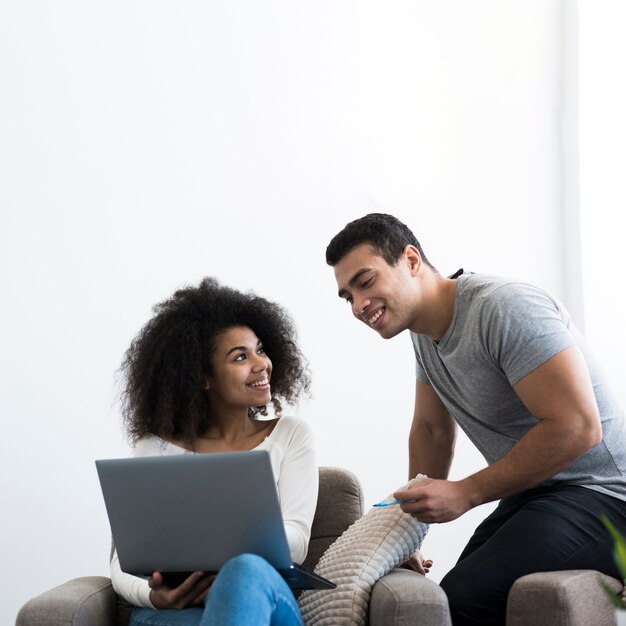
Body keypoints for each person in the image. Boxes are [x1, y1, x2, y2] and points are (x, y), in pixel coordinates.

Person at [326, 213, 626, 625]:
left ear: (411, 260)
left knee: (465, 600)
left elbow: (578, 426)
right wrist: (405, 530)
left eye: (365, 282)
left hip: (606, 495)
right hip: (540, 494)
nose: (359, 305)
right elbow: (431, 429)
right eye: (347, 296)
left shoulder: (503, 307)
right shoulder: (424, 333)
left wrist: (465, 492)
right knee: (448, 602)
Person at [111, 277, 316, 626]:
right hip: (177, 612)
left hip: (265, 600)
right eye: (240, 356)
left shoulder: (291, 435)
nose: (261, 364)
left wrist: (227, 549)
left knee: (244, 571)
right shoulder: (154, 448)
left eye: (261, 349)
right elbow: (122, 563)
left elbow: (296, 541)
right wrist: (155, 596)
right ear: (201, 377)